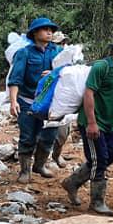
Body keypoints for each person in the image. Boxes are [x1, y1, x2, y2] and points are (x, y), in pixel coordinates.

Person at [61, 32, 113, 215]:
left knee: (110, 156)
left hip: (108, 124)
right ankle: (97, 202)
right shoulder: (101, 67)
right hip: (92, 122)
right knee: (99, 160)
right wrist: (91, 123)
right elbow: (88, 94)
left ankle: (72, 182)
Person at [7, 17, 61, 183]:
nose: (49, 32)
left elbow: (68, 72)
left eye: (51, 30)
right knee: (28, 136)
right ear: (35, 33)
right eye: (45, 29)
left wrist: (54, 74)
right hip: (28, 100)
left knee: (49, 136)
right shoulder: (24, 53)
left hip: (51, 102)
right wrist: (13, 101)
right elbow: (15, 79)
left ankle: (40, 165)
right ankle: (25, 171)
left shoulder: (58, 52)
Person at [47, 30, 72, 169]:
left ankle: (57, 154)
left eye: (63, 43)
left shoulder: (70, 58)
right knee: (46, 130)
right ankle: (43, 158)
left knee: (63, 131)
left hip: (64, 99)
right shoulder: (45, 58)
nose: (61, 46)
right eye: (57, 43)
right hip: (48, 99)